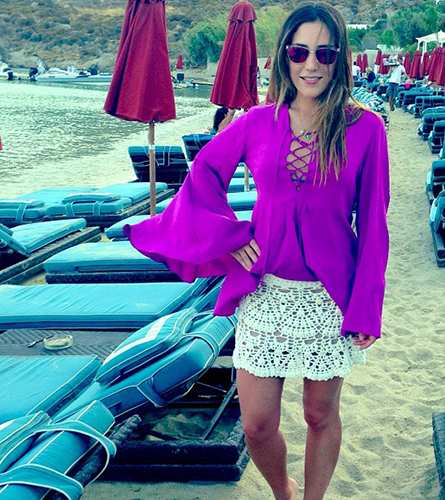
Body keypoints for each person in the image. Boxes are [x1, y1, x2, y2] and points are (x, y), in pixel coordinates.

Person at [124, 2, 389, 499]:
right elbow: (203, 175)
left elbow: (374, 223)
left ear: (340, 59)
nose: (311, 64)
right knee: (256, 425)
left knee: (319, 414)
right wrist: (230, 236)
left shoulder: (366, 128)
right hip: (263, 291)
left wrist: (367, 307)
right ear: (284, 56)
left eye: (325, 53)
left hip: (330, 297)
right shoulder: (256, 123)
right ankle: (283, 490)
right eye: (299, 52)